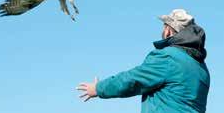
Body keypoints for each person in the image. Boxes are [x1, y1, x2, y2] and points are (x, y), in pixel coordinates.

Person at [77, 9, 210, 113]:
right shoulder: (201, 67)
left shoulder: (168, 57)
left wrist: (99, 88)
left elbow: (133, 80)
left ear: (169, 30)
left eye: (164, 26)